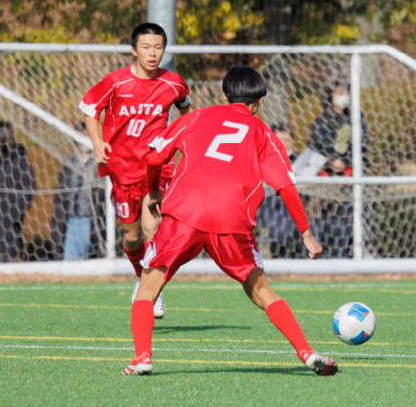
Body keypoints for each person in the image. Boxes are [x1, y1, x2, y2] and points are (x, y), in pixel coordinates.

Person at [123, 66, 336, 377]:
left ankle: (142, 357)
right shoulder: (263, 133)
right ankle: (305, 351)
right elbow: (286, 188)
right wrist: (306, 234)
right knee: (261, 291)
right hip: (232, 219)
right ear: (260, 101)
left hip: (185, 213)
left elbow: (154, 158)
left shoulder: (195, 117)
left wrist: (153, 192)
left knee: (148, 287)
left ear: (224, 95)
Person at [79, 23, 192, 318]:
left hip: (157, 166)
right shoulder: (117, 82)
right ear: (134, 50)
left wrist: (185, 142)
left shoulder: (173, 83)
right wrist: (97, 142)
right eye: (146, 47)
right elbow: (90, 110)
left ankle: (153, 289)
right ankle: (142, 277)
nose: (152, 53)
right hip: (122, 169)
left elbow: (186, 110)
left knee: (152, 225)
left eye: (158, 48)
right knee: (131, 236)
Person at [305, 83, 370, 258]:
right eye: (339, 92)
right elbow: (314, 146)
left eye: (345, 92)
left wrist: (345, 162)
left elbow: (362, 145)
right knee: (328, 222)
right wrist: (331, 161)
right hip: (327, 180)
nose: (343, 96)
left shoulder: (357, 118)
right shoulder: (321, 121)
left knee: (353, 220)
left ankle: (356, 255)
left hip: (351, 179)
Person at [50, 122, 107, 260]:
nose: (84, 140)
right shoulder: (69, 162)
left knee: (90, 260)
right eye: (81, 137)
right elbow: (61, 195)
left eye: (87, 136)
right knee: (70, 261)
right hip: (71, 219)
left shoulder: (100, 162)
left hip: (90, 219)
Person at [255, 124, 306, 259]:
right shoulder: (263, 158)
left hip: (297, 202)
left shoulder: (300, 160)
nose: (284, 143)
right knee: (281, 227)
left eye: (287, 140)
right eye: (280, 140)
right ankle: (282, 259)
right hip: (272, 204)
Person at [0, 121, 35, 262]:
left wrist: (11, 215)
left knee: (5, 262)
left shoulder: (18, 159)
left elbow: (29, 191)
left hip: (8, 228)